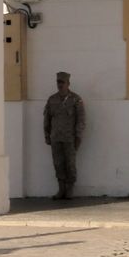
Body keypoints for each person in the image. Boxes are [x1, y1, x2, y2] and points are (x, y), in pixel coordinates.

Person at [42, 71, 86, 201]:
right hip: (56, 137)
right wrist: (47, 134)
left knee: (70, 164)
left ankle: (69, 189)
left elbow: (81, 119)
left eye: (62, 82)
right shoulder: (52, 99)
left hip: (70, 138)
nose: (60, 85)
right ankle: (61, 189)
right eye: (58, 82)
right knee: (58, 164)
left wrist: (78, 136)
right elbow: (47, 118)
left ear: (68, 83)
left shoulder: (76, 99)